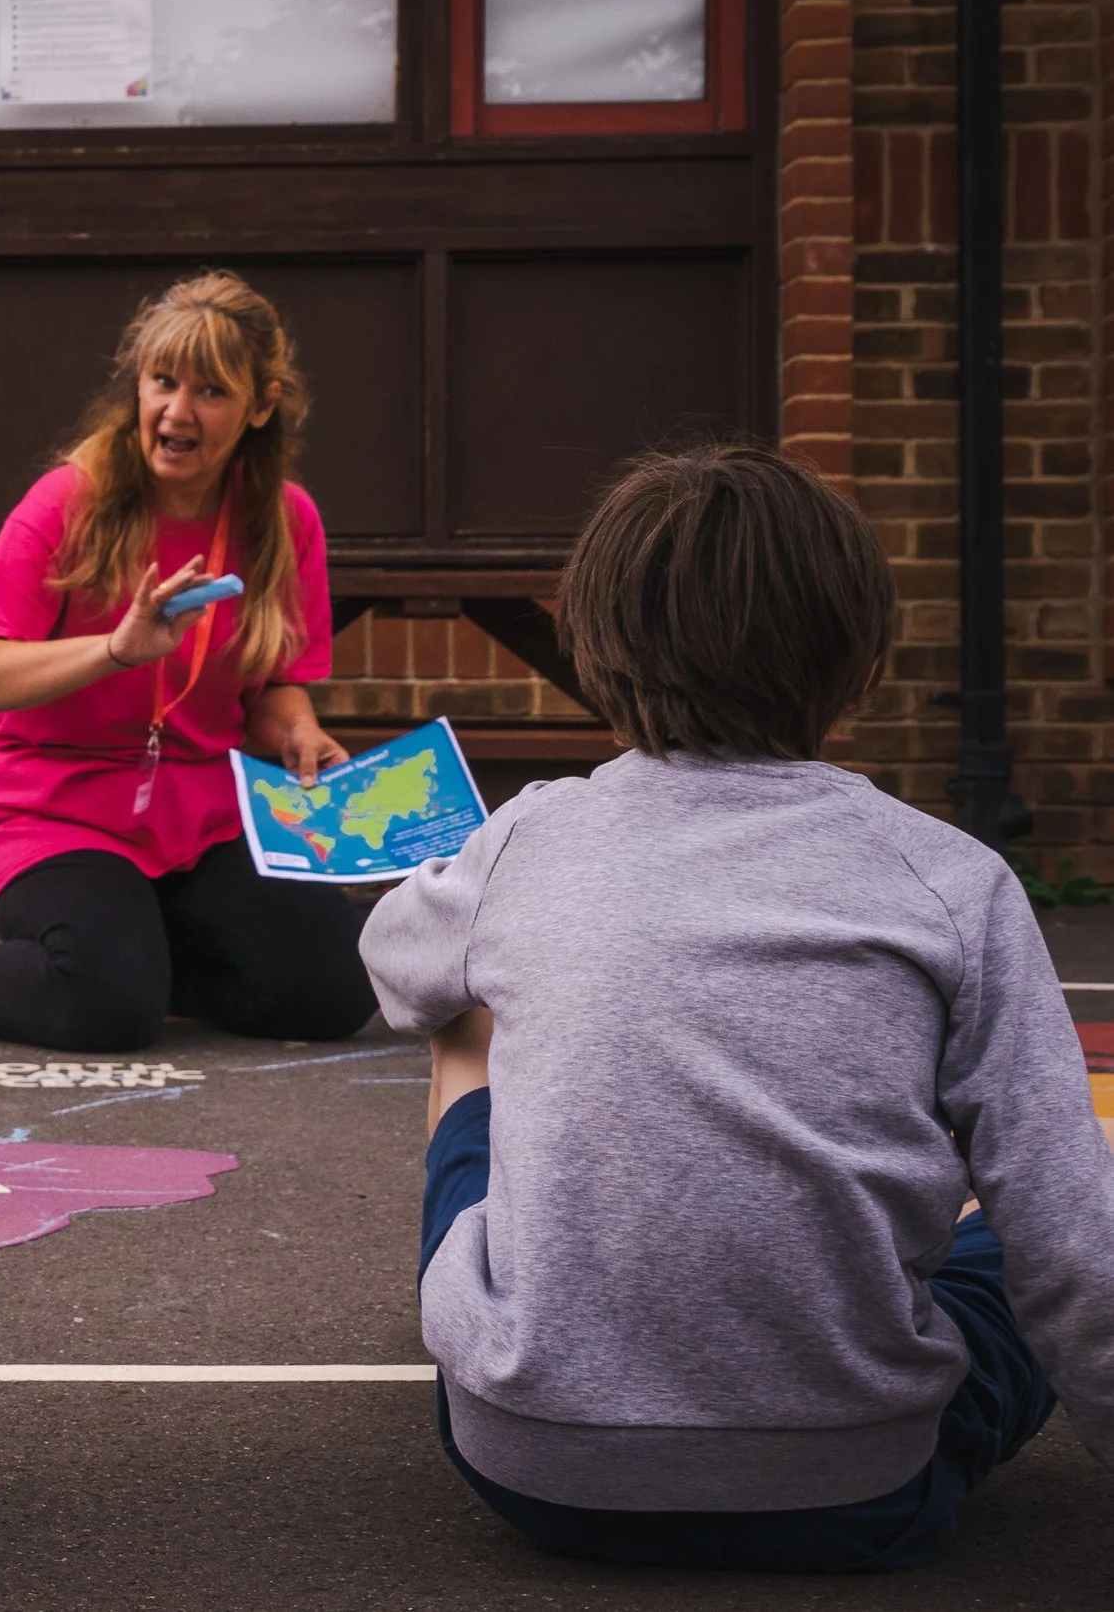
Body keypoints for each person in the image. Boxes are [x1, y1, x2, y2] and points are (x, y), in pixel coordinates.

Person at [364, 442, 1114, 1571]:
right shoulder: (949, 881)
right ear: (856, 655)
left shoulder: (529, 837)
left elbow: (393, 970)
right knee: (1022, 1218)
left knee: (463, 1027)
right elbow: (1073, 1248)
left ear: (598, 648)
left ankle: (542, 1307)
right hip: (852, 1489)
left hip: (533, 1471)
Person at [0, 271, 374, 1052]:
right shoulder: (69, 499)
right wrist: (115, 650)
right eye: (162, 381)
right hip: (51, 804)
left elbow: (275, 686)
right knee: (107, 1006)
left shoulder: (287, 519)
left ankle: (128, 957)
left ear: (261, 405)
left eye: (211, 392)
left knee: (333, 992)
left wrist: (298, 732)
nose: (176, 411)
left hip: (202, 811)